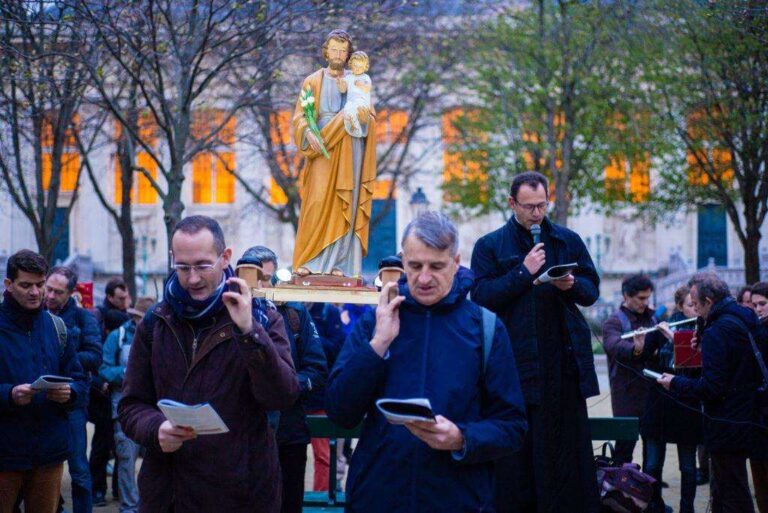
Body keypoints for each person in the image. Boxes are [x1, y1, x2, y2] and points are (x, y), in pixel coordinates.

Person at [326, 211, 528, 512]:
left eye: (436, 266)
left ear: (456, 263)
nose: (423, 278)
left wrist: (462, 438)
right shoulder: (375, 321)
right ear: (402, 261)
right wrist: (378, 344)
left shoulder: (485, 328)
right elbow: (340, 412)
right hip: (378, 497)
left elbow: (512, 426)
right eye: (414, 265)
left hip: (458, 499)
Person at [118, 215, 300, 512]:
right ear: (172, 259)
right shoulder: (155, 322)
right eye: (182, 267)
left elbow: (282, 395)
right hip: (170, 492)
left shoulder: (263, 315)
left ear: (225, 257)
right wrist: (156, 429)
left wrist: (249, 332)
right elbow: (130, 405)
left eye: (203, 265)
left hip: (240, 494)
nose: (192, 278)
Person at [471, 172, 601, 513]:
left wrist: (570, 284)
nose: (537, 213)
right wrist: (522, 273)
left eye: (542, 205)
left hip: (563, 368)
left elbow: (591, 292)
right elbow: (481, 296)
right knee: (518, 457)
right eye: (529, 206)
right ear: (512, 203)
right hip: (513, 366)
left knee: (564, 455)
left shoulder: (566, 240)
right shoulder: (489, 245)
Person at [658, 272, 767, 513]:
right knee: (730, 488)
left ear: (708, 301)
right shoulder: (745, 316)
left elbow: (712, 387)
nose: (694, 310)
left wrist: (675, 382)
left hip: (726, 421)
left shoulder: (718, 331)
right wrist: (702, 331)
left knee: (731, 491)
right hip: (750, 413)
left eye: (696, 305)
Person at [237, 246, 327, 513]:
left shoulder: (295, 314)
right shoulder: (226, 314)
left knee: (289, 504)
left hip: (289, 433)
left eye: (268, 278)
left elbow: (318, 369)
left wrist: (286, 387)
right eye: (257, 278)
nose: (263, 285)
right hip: (242, 435)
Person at [0, 250, 88, 513]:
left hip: (48, 454)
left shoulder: (56, 327)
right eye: (26, 285)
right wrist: (9, 394)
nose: (35, 292)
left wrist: (69, 393)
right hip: (5, 454)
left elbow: (80, 379)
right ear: (8, 285)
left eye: (40, 285)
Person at [291, 29, 378, 277]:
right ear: (325, 51)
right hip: (322, 145)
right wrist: (308, 132)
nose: (338, 54)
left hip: (349, 145)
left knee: (347, 203)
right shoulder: (312, 81)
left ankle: (341, 264)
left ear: (348, 54)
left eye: (343, 50)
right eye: (334, 49)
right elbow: (299, 117)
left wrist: (364, 117)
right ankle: (310, 260)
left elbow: (369, 113)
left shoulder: (358, 79)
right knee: (316, 201)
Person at [44, 266, 102, 513]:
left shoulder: (83, 317)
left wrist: (63, 358)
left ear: (70, 293)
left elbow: (95, 356)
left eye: (58, 292)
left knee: (78, 467)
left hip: (72, 401)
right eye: (49, 289)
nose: (51, 295)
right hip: (42, 400)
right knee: (44, 467)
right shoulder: (36, 314)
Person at [640, 285, 702, 513]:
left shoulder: (702, 330)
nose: (694, 309)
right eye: (689, 305)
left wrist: (676, 339)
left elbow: (696, 367)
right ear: (679, 306)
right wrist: (639, 347)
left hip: (686, 406)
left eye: (696, 305)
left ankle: (687, 508)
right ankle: (653, 506)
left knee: (687, 466)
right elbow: (644, 359)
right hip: (660, 406)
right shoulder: (661, 329)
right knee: (653, 463)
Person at [99, 297, 155, 513]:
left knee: (155, 462)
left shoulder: (160, 336)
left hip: (155, 410)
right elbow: (103, 368)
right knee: (126, 460)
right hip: (123, 408)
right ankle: (129, 508)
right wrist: (129, 374)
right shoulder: (117, 336)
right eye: (141, 318)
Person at [602, 273, 657, 465]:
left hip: (652, 392)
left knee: (653, 452)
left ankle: (651, 492)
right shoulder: (614, 321)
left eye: (648, 298)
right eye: (641, 298)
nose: (645, 303)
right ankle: (619, 492)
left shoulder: (652, 319)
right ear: (626, 296)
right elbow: (612, 345)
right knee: (624, 448)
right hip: (626, 394)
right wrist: (635, 349)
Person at [90, 278, 131, 507]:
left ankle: (117, 488)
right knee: (102, 442)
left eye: (126, 297)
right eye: (121, 298)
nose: (125, 301)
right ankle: (98, 489)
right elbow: (97, 356)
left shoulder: (126, 319)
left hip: (116, 391)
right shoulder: (98, 318)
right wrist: (99, 381)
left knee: (121, 444)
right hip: (102, 391)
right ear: (109, 297)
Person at [750, 281, 768, 513]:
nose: (758, 309)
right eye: (754, 305)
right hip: (757, 413)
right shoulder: (754, 331)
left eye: (763, 304)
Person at [337, 51, 372, 138]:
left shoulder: (365, 77)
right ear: (351, 64)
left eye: (360, 67)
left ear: (365, 67)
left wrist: (362, 85)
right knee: (347, 111)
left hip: (362, 102)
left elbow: (368, 88)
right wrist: (340, 84)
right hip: (352, 102)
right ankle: (354, 128)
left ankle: (356, 127)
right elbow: (343, 90)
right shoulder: (348, 78)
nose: (357, 68)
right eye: (355, 66)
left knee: (354, 107)